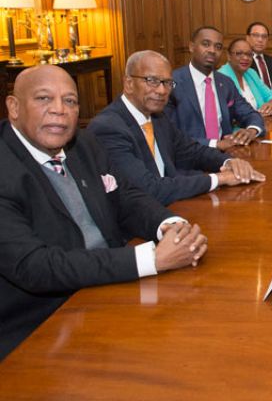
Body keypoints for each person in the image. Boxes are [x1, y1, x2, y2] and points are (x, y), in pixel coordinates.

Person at [0, 65, 208, 360]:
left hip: (111, 289)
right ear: (14, 107)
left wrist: (170, 226)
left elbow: (126, 197)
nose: (59, 110)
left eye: (70, 101)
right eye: (44, 99)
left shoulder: (82, 143)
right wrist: (151, 259)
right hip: (40, 328)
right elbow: (35, 266)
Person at [89, 50, 266, 206]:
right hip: (136, 228)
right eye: (152, 81)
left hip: (174, 204)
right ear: (128, 83)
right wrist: (219, 178)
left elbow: (191, 151)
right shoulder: (108, 127)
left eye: (167, 83)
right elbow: (149, 189)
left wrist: (229, 162)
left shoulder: (158, 117)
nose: (161, 90)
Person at [167, 26, 266, 151]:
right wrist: (214, 144)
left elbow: (250, 114)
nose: (212, 50)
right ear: (191, 47)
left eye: (218, 47)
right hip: (188, 160)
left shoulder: (225, 83)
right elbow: (168, 134)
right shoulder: (171, 83)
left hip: (226, 156)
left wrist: (251, 130)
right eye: (206, 44)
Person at [219, 38, 272, 116]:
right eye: (239, 53)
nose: (245, 58)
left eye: (249, 54)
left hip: (261, 123)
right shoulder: (221, 77)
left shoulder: (251, 73)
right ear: (229, 56)